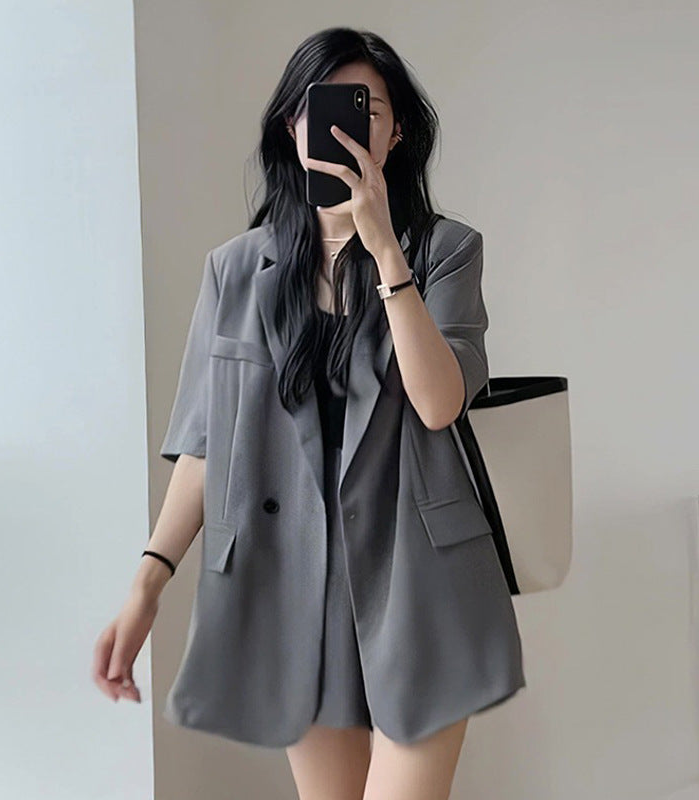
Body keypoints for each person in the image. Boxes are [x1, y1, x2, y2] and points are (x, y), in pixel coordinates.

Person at [93, 26, 525, 800]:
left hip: (418, 585)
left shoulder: (445, 251)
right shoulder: (235, 271)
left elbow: (438, 402)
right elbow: (205, 445)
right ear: (291, 127)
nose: (346, 130)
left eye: (369, 110)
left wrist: (386, 252)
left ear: (397, 132)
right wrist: (147, 586)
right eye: (322, 110)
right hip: (295, 589)